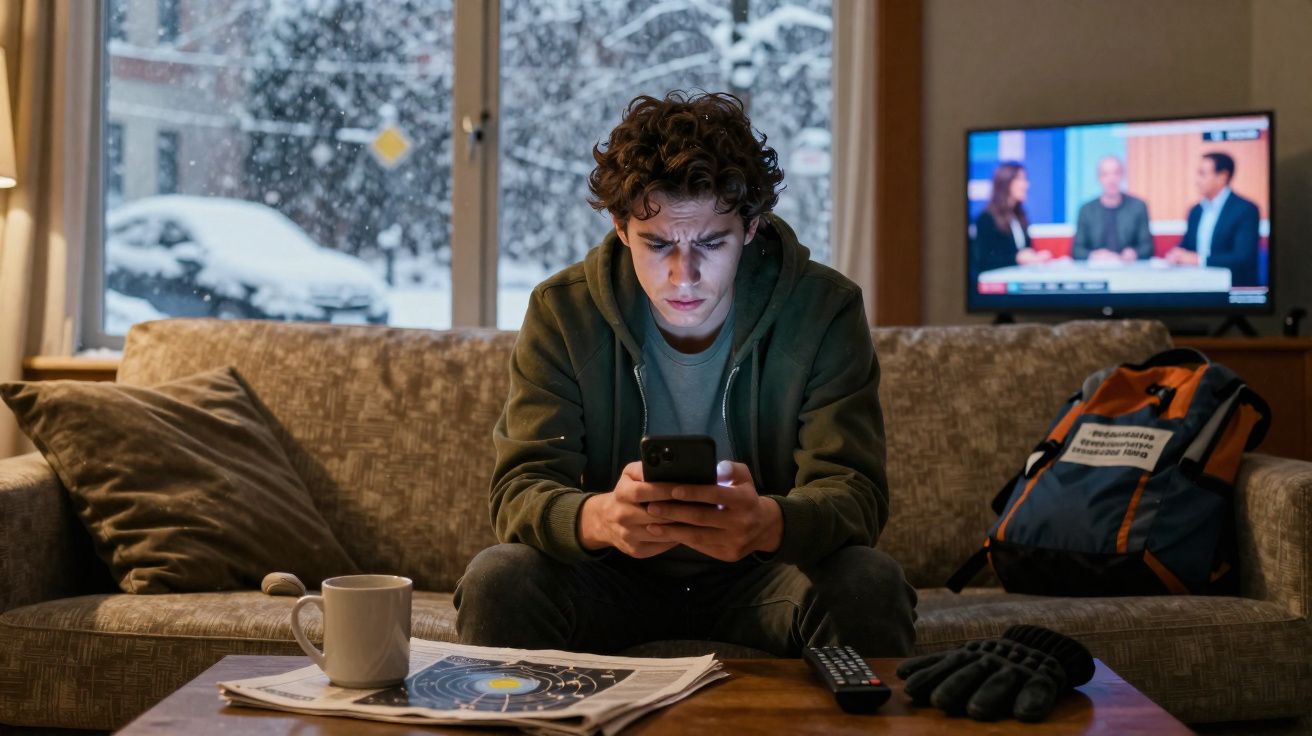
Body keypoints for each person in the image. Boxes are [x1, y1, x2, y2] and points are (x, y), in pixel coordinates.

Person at [454, 91, 917, 658]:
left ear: (751, 227)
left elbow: (856, 493)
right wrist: (598, 518)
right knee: (499, 578)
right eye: (658, 244)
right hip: (608, 578)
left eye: (711, 243)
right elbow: (518, 490)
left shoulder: (824, 310)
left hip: (765, 578)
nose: (684, 276)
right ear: (621, 228)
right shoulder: (562, 312)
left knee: (868, 582)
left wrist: (769, 523)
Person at [1164, 152, 1261, 287]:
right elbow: (1188, 245)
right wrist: (1177, 254)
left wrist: (1199, 260)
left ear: (1222, 177)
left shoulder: (1246, 210)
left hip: (1233, 288)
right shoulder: (1196, 210)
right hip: (1196, 285)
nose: (1197, 180)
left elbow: (1242, 257)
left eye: (1202, 174)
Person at [970, 162, 1050, 284]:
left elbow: (1025, 250)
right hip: (996, 287)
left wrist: (1036, 258)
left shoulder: (1019, 216)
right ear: (1006, 183)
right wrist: (1017, 258)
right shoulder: (986, 219)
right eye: (1021, 179)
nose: (1026, 185)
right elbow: (983, 261)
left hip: (1020, 283)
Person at [1070, 156, 1153, 261]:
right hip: (1097, 267)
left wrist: (1134, 253)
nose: (1111, 179)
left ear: (1122, 175)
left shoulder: (1138, 207)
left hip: (1129, 267)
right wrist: (1093, 255)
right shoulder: (1086, 210)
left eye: (1116, 173)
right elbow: (1076, 250)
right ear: (1099, 178)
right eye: (1105, 174)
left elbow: (1147, 247)